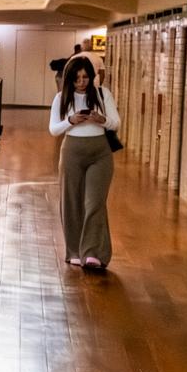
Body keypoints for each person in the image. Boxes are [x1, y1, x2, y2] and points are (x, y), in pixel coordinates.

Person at [49, 55, 120, 270]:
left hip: (100, 152)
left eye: (86, 77)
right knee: (71, 202)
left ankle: (93, 252)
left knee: (94, 202)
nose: (82, 82)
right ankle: (74, 250)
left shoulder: (102, 94)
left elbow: (116, 123)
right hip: (72, 151)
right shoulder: (61, 98)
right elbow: (53, 129)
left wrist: (102, 120)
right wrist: (70, 121)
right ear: (70, 79)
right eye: (78, 78)